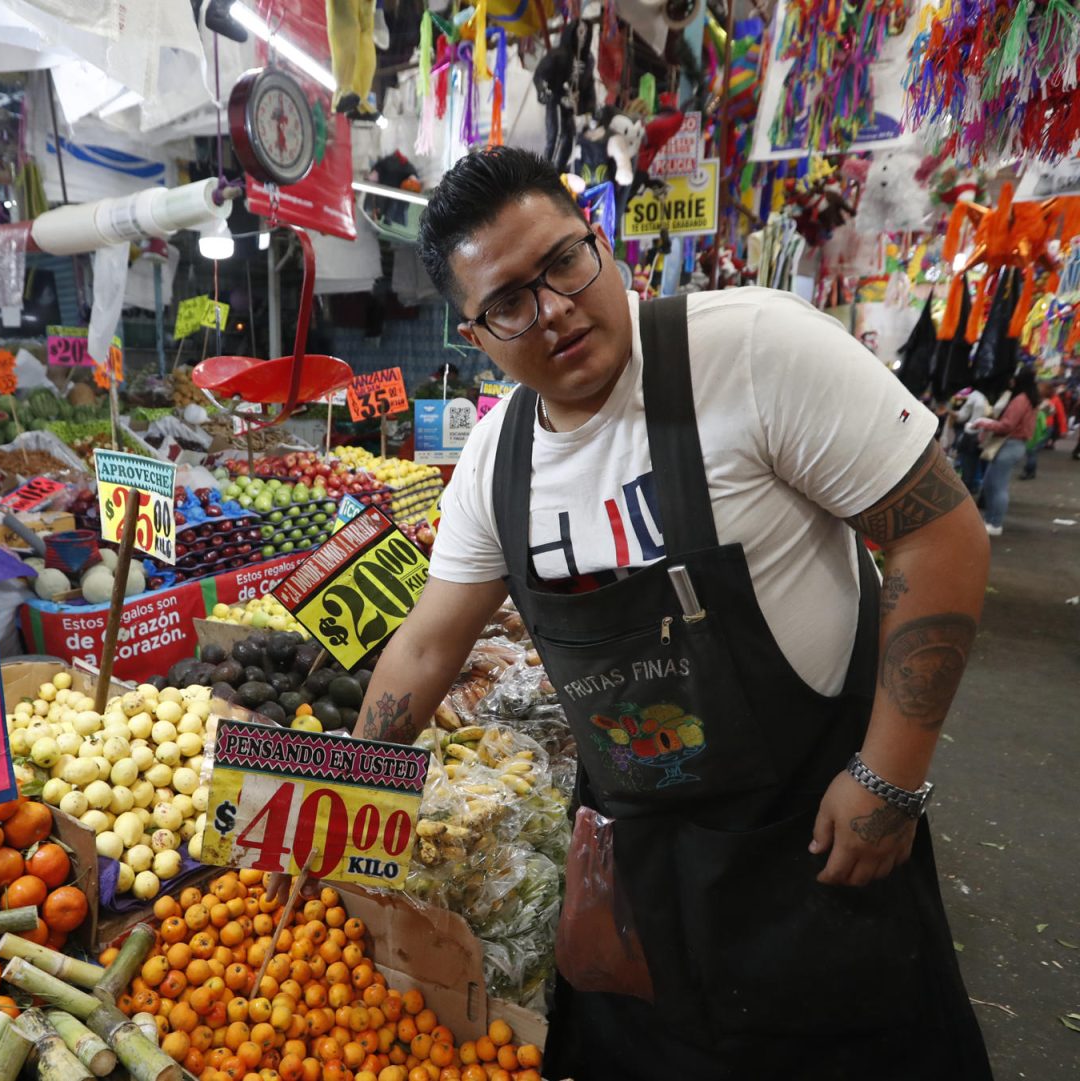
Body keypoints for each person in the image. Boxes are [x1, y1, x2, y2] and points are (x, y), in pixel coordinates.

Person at [356, 147, 992, 1080]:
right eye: (508, 302)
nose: (556, 309)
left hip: (813, 840)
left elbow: (940, 535)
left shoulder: (754, 351)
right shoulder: (497, 465)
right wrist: (329, 794)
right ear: (474, 336)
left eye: (565, 262)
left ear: (600, 243)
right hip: (640, 875)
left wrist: (891, 779)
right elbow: (424, 643)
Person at [970, 367, 1042, 534]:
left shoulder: (1020, 399)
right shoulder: (1031, 400)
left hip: (1009, 444)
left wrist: (983, 423)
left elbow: (1007, 425)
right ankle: (991, 520)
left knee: (997, 485)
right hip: (1014, 445)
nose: (1011, 381)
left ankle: (995, 523)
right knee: (991, 483)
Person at [950, 384, 992, 493]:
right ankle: (979, 491)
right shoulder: (1006, 395)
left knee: (968, 469)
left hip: (972, 435)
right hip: (991, 436)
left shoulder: (974, 395)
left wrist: (950, 412)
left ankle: (965, 494)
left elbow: (962, 416)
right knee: (985, 470)